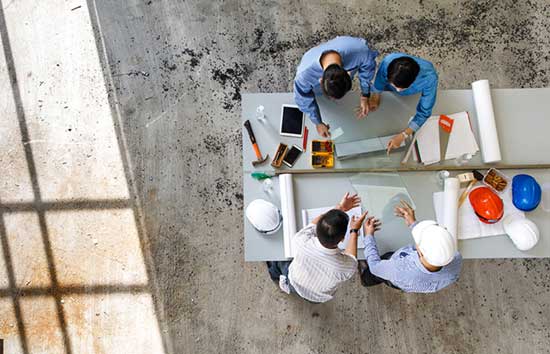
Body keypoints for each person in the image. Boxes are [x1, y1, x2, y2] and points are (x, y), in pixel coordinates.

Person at [267, 192, 375, 303]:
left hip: (295, 282)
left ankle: (274, 274)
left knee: (278, 261)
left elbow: (315, 223)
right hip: (316, 297)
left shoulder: (301, 240)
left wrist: (340, 208)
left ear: (316, 230)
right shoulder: (345, 267)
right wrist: (354, 230)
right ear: (342, 239)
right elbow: (351, 257)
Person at [358, 201, 462, 293]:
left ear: (420, 252)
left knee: (373, 274)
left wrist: (368, 235)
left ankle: (365, 280)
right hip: (408, 281)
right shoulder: (455, 258)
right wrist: (413, 223)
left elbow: (375, 267)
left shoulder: (399, 269)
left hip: (394, 274)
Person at [294, 36, 379, 138]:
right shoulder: (304, 76)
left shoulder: (361, 52)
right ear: (320, 80)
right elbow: (303, 98)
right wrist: (318, 122)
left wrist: (365, 95)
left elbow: (367, 70)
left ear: (348, 73)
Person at [369, 53, 439, 154]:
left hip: (409, 98)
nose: (398, 90)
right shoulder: (388, 61)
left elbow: (424, 112)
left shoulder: (430, 78)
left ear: (413, 80)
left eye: (402, 88)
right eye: (395, 86)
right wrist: (375, 97)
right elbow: (380, 79)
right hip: (388, 94)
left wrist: (404, 135)